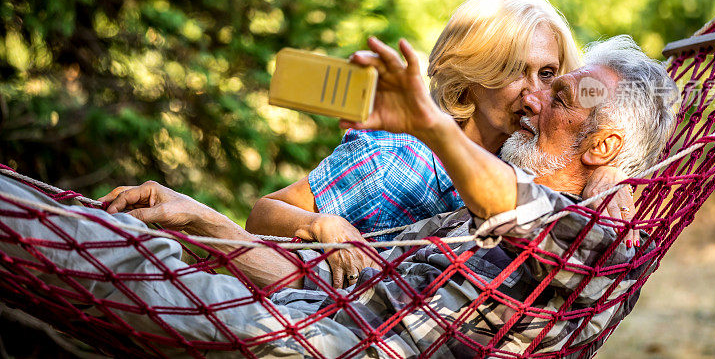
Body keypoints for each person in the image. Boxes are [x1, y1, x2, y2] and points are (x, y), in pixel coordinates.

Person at [0, 35, 678, 357]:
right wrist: (202, 220)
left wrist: (429, 124)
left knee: (97, 259)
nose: (534, 105)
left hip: (318, 347)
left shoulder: (605, 247)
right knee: (69, 299)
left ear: (601, 148)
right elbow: (339, 291)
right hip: (302, 322)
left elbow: (516, 203)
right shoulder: (477, 223)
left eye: (558, 95)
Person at [247, 0, 584, 286]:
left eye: (547, 74)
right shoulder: (395, 157)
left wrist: (609, 177)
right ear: (471, 74)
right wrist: (320, 223)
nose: (535, 96)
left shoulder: (525, 163)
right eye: (513, 70)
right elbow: (261, 216)